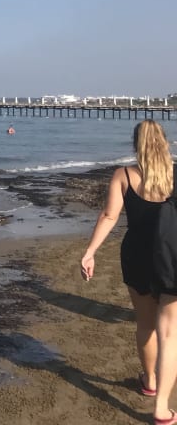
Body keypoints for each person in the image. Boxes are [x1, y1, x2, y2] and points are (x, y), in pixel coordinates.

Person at [79, 120, 174, 417]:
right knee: (170, 334)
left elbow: (109, 216)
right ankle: (161, 408)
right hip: (172, 257)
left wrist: (90, 252)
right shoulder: (174, 175)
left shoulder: (123, 175)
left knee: (145, 325)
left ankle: (150, 381)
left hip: (137, 256)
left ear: (136, 145)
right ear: (164, 142)